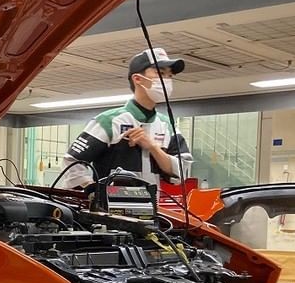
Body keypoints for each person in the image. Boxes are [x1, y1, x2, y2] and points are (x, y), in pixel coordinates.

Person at [55, 48, 193, 190]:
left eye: (170, 76)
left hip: (151, 207)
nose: (167, 80)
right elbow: (71, 161)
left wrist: (153, 147)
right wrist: (92, 190)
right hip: (110, 208)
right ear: (138, 78)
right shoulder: (109, 121)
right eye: (160, 73)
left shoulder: (167, 125)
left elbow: (182, 171)